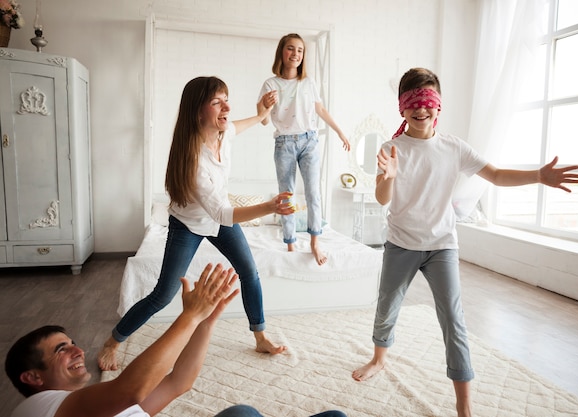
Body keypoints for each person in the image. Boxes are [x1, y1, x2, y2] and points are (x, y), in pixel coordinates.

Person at [351, 67, 578, 417]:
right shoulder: (392, 148)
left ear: (438, 106)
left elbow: (496, 175)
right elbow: (382, 198)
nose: (421, 109)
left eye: (428, 101)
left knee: (454, 320)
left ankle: (464, 403)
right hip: (401, 243)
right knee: (386, 307)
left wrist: (538, 176)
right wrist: (388, 176)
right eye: (413, 102)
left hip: (442, 244)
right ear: (402, 107)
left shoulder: (453, 147)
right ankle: (379, 358)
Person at [98, 76, 295, 372]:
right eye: (217, 102)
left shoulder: (224, 131)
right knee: (163, 294)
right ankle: (112, 342)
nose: (226, 106)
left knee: (249, 272)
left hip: (217, 216)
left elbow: (240, 125)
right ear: (198, 111)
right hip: (188, 224)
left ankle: (260, 336)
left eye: (226, 98)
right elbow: (224, 215)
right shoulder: (193, 162)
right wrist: (269, 207)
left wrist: (262, 114)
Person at [5, 263, 347, 417]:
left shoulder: (97, 405)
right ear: (33, 377)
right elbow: (130, 390)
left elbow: (178, 382)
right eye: (61, 349)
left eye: (72, 342)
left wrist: (206, 323)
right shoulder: (37, 408)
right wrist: (189, 316)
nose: (78, 350)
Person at [258, 33, 351, 266]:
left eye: (300, 50)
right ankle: (290, 243)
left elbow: (320, 111)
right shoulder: (271, 84)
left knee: (313, 193)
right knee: (286, 195)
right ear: (282, 52)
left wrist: (339, 131)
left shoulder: (308, 83)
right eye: (291, 49)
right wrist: (266, 106)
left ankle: (314, 243)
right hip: (284, 144)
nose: (296, 54)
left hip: (310, 141)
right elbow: (263, 120)